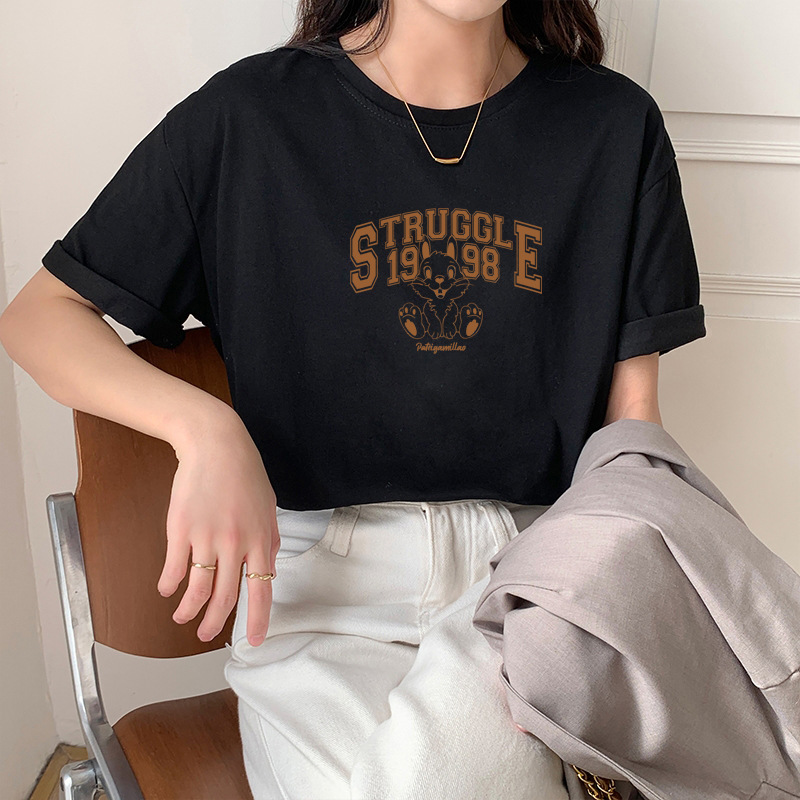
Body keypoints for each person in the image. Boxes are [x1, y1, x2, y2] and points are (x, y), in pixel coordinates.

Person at [0, 0, 705, 797]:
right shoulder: (248, 120)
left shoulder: (614, 127)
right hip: (316, 593)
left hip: (526, 578)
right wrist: (203, 427)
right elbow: (40, 318)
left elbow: (631, 436)